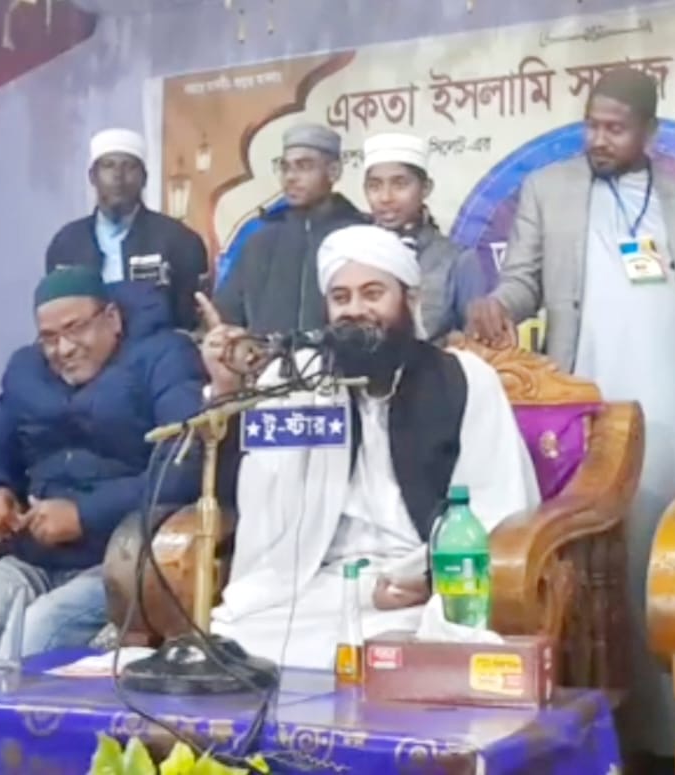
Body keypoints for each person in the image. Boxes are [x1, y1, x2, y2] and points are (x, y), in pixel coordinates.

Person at [466, 66, 675, 756]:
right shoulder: (548, 189)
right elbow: (523, 280)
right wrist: (499, 303)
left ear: (649, 131)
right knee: (600, 560)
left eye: (615, 128)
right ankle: (605, 732)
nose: (598, 138)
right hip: (590, 406)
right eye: (591, 125)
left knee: (674, 551)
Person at [199, 224, 540, 668]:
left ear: (409, 300)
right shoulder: (296, 380)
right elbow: (242, 488)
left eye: (373, 294)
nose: (356, 310)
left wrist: (428, 577)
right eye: (341, 298)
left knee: (422, 649)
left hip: (416, 587)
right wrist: (225, 392)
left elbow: (498, 505)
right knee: (234, 642)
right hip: (312, 584)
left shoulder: (465, 379)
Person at [0, 269, 205, 685]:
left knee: (35, 631)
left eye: (76, 329)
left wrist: (83, 515)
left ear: (111, 318)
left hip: (118, 565)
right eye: (49, 338)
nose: (64, 349)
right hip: (33, 559)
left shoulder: (164, 357)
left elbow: (185, 464)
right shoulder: (28, 373)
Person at [46, 129, 208, 331]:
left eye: (129, 166)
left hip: (156, 345)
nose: (118, 176)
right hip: (82, 347)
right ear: (92, 176)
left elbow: (190, 320)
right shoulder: (66, 243)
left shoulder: (179, 240)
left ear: (144, 178)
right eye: (108, 166)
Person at [213, 124, 366, 336]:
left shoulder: (361, 238)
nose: (291, 177)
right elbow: (228, 316)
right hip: (268, 357)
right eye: (285, 168)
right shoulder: (260, 242)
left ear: (334, 171)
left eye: (304, 166)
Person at [362, 132, 488, 342]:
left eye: (400, 184)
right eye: (375, 186)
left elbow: (476, 344)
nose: (385, 197)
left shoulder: (457, 260)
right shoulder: (355, 255)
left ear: (425, 188)